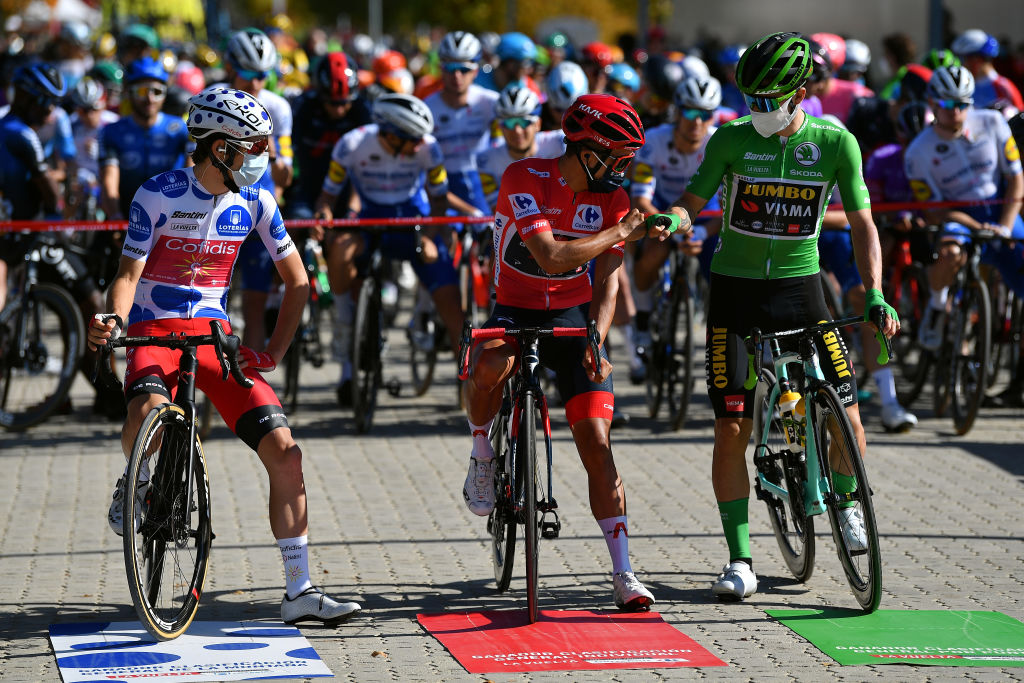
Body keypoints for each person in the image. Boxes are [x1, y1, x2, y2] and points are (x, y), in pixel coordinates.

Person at [87, 86, 361, 626]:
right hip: (154, 329)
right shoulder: (159, 193)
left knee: (286, 452)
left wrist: (275, 352)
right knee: (146, 415)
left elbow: (299, 283)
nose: (262, 156)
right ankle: (135, 479)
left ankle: (299, 590)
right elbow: (126, 275)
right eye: (252, 146)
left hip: (214, 338)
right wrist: (114, 321)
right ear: (218, 148)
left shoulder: (256, 199)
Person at [665, 32, 898, 601]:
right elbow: (691, 201)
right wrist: (673, 221)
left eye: (769, 100)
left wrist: (875, 292)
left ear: (798, 92)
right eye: (751, 100)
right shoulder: (731, 139)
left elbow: (865, 224)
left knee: (847, 413)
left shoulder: (836, 142)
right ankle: (740, 557)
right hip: (736, 293)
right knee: (730, 428)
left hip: (801, 289)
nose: (758, 111)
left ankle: (846, 502)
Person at [461, 93, 664, 611]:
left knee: (597, 441)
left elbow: (608, 280)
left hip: (573, 318)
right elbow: (550, 257)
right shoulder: (523, 178)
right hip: (515, 305)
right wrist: (619, 232)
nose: (626, 167)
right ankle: (483, 450)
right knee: (490, 364)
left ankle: (624, 573)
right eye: (618, 155)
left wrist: (597, 336)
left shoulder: (613, 199)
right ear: (588, 150)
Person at [313, 93, 471, 402]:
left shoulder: (428, 148)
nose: (418, 145)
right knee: (341, 249)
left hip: (412, 215)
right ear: (388, 134)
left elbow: (439, 199)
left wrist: (432, 233)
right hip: (369, 216)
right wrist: (324, 216)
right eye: (411, 139)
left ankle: (469, 382)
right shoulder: (351, 144)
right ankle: (345, 331)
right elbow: (328, 196)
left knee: (450, 298)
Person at [904, 66, 1024, 399]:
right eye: (946, 104)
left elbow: (1015, 178)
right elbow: (932, 212)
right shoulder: (918, 152)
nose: (955, 112)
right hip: (955, 215)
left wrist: (1003, 223)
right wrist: (975, 226)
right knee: (951, 252)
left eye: (962, 103)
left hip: (1000, 209)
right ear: (932, 102)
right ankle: (938, 307)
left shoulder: (993, 123)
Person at [629, 76, 724, 382]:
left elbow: (731, 207)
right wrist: (667, 225)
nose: (697, 122)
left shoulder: (720, 143)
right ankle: (642, 321)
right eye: (690, 112)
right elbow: (641, 196)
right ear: (677, 112)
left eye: (705, 114)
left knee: (723, 274)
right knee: (651, 256)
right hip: (661, 215)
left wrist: (702, 232)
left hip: (707, 221)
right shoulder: (653, 140)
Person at [221, 28, 295, 350]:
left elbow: (285, 177)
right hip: (215, 206)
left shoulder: (278, 108)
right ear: (230, 67)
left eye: (263, 75)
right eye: (247, 74)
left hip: (256, 209)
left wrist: (274, 151)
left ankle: (248, 388)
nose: (255, 83)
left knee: (254, 306)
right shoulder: (214, 99)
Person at [98, 57, 190, 221]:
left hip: (171, 216)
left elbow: (194, 172)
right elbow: (108, 180)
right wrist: (115, 216)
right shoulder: (111, 131)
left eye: (157, 91)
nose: (150, 99)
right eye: (142, 91)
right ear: (128, 92)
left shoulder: (181, 129)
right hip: (124, 214)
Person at [424, 31, 498, 215]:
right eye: (450, 68)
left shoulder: (491, 102)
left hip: (482, 181)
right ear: (440, 68)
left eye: (464, 69)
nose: (457, 76)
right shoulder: (427, 108)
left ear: (475, 71)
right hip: (442, 186)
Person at [476, 84, 565, 210]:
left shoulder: (559, 142)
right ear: (500, 127)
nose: (517, 130)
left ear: (537, 124)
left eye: (524, 122)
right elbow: (499, 210)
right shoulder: (486, 160)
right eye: (509, 123)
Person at [951, 29, 1023, 117]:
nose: (961, 64)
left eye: (963, 59)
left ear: (977, 59)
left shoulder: (1003, 87)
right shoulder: (962, 85)